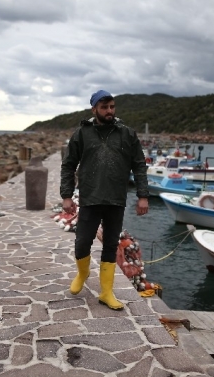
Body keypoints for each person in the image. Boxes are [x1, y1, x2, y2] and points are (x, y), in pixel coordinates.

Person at [60, 89, 149, 310]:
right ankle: (83, 273)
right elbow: (68, 165)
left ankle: (106, 292)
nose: (109, 111)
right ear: (94, 109)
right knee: (82, 243)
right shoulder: (82, 134)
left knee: (110, 246)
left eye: (112, 107)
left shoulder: (127, 134)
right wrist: (67, 195)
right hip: (90, 198)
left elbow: (139, 165)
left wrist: (143, 196)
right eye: (104, 107)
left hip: (116, 200)